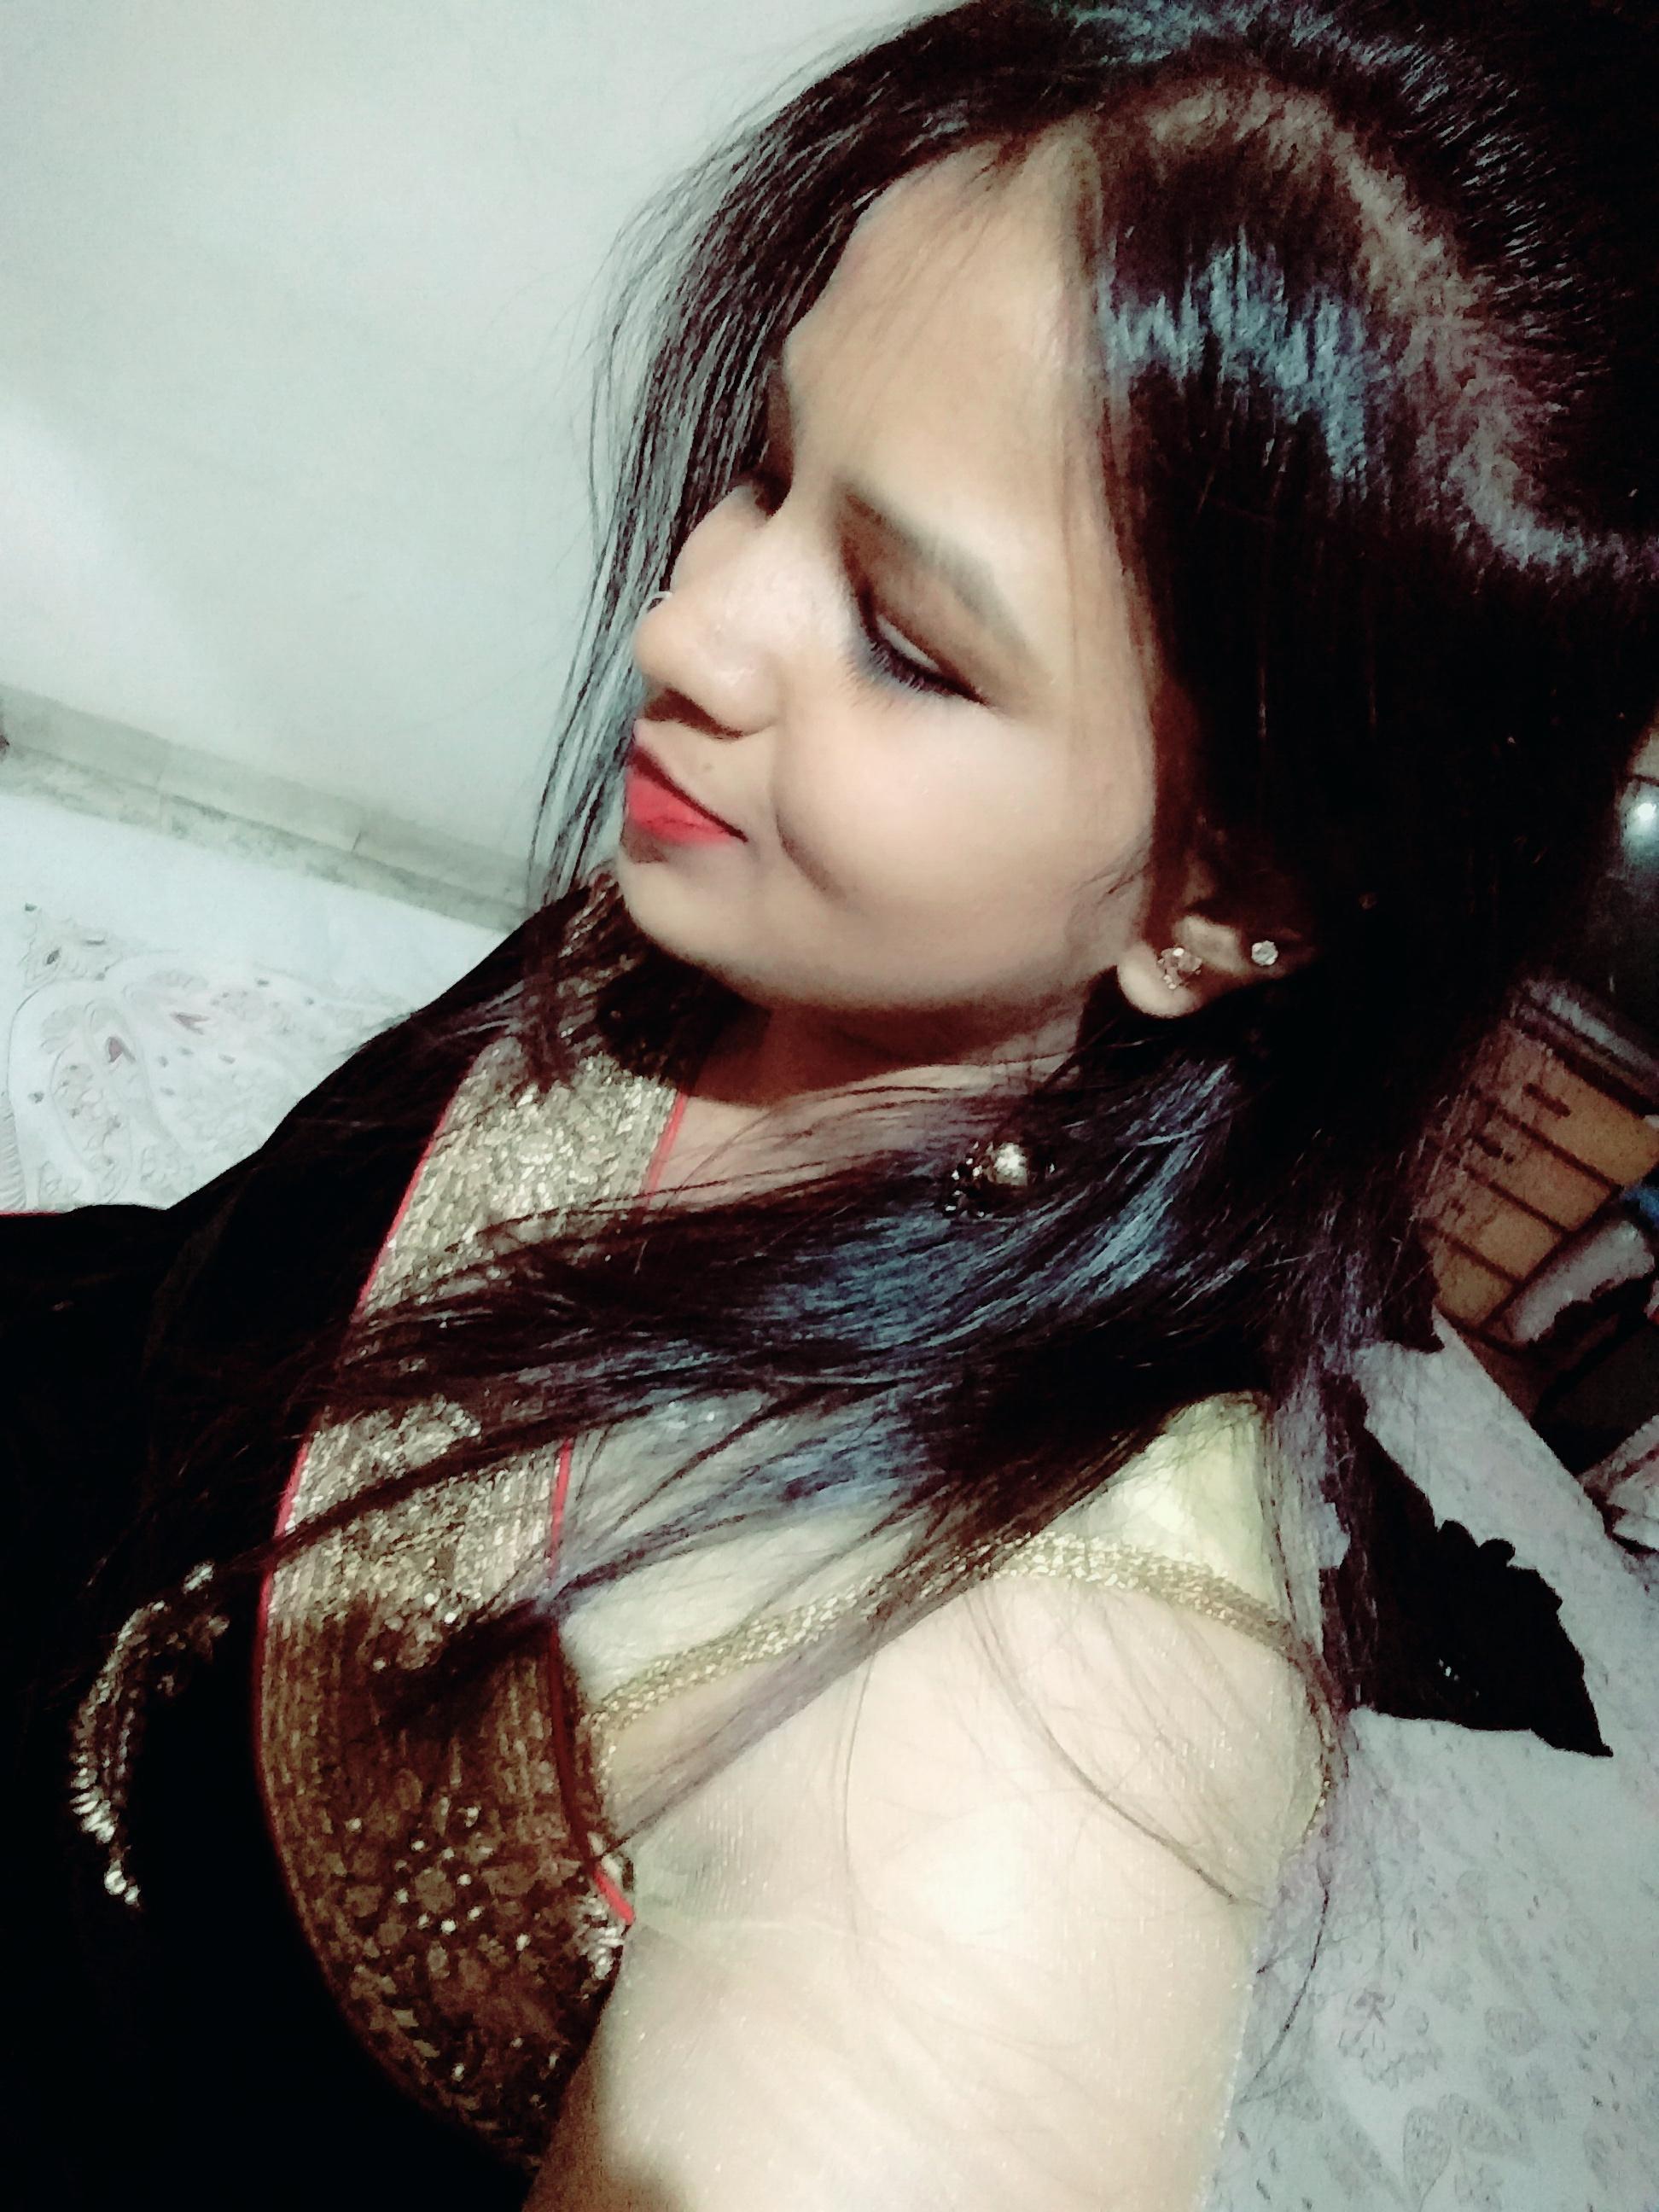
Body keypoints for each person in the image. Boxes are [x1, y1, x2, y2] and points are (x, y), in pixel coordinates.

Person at [7, 3, 1656, 2206]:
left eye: (909, 642)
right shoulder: (781, 921)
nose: (690, 627)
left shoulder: (1012, 1748)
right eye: (768, 467)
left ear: (1231, 901)